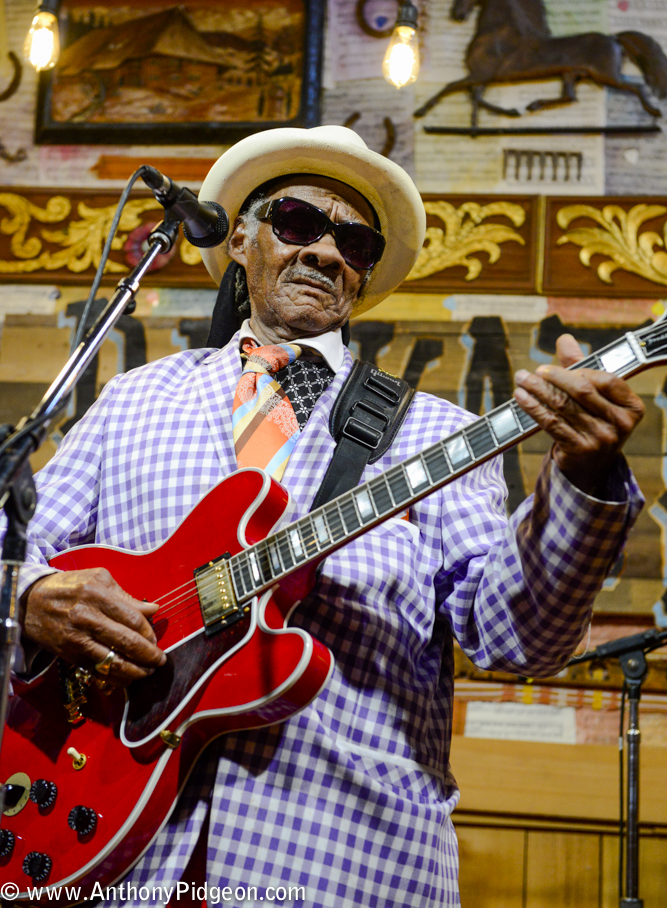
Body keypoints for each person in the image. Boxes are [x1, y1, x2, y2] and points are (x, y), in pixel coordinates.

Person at [9, 127, 645, 907]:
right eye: (297, 223)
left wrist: (581, 474)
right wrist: (31, 597)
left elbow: (520, 638)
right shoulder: (136, 397)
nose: (323, 250)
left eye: (352, 238)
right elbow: (21, 545)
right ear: (238, 239)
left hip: (341, 859)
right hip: (104, 841)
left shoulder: (432, 433)